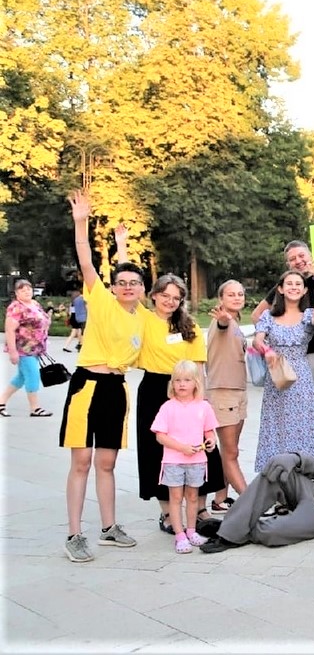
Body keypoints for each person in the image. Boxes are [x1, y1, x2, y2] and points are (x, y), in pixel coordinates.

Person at [61, 190, 143, 562]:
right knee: (82, 462)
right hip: (87, 387)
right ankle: (75, 533)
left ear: (141, 289)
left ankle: (109, 528)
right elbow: (87, 262)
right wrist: (82, 222)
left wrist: (122, 244)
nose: (127, 286)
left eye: (134, 283)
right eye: (122, 282)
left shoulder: (141, 316)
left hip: (116, 389)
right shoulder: (100, 299)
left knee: (107, 463)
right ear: (112, 287)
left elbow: (127, 272)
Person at [127, 268, 216, 538]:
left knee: (198, 448)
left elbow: (199, 364)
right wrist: (120, 248)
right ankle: (167, 511)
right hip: (154, 388)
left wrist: (200, 398)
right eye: (164, 295)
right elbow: (130, 286)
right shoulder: (143, 317)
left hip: (186, 387)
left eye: (175, 298)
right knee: (157, 451)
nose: (169, 301)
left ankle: (199, 509)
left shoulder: (189, 327)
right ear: (153, 296)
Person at [252, 270, 314, 474]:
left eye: (298, 284)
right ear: (280, 288)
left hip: (301, 379)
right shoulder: (268, 316)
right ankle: (277, 484)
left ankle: (302, 481)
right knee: (276, 428)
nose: (294, 287)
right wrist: (267, 351)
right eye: (289, 283)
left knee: (303, 428)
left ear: (305, 290)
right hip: (277, 377)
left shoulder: (307, 316)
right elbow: (257, 341)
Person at [150, 360, 219, 554]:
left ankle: (191, 530)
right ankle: (179, 534)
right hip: (173, 461)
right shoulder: (167, 407)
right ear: (172, 383)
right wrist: (181, 447)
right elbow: (160, 435)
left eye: (187, 380)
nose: (181, 384)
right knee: (176, 497)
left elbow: (209, 430)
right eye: (177, 380)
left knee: (192, 497)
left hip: (197, 461)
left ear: (196, 383)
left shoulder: (203, 407)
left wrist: (211, 440)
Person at [251, 241, 314, 395]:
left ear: (310, 255)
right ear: (288, 264)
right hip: (289, 359)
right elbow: (257, 315)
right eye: (293, 258)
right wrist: (276, 339)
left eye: (301, 256)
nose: (298, 261)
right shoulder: (286, 285)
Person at [205, 280, 249, 513]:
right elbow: (222, 324)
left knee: (230, 449)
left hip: (237, 391)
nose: (236, 297)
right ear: (221, 299)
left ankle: (220, 499)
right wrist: (224, 319)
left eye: (240, 294)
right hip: (223, 393)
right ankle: (251, 501)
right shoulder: (222, 320)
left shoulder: (236, 322)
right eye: (231, 294)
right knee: (230, 452)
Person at [2, 278, 53, 417]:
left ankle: (1, 402)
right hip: (23, 348)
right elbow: (10, 329)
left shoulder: (34, 304)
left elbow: (41, 321)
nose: (26, 292)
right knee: (32, 375)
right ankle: (35, 408)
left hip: (35, 348)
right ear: (16, 293)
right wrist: (13, 352)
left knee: (21, 377)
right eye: (22, 290)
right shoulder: (16, 307)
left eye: (28, 289)